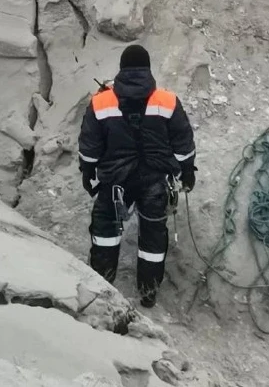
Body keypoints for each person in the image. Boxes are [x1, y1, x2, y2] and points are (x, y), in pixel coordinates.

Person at [78, 45, 196, 308]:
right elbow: (183, 141)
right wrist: (187, 170)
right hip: (155, 181)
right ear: (147, 69)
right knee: (153, 236)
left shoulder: (100, 102)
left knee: (105, 231)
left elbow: (89, 146)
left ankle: (101, 289)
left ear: (121, 69)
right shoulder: (167, 101)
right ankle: (148, 293)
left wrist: (88, 172)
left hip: (114, 182)